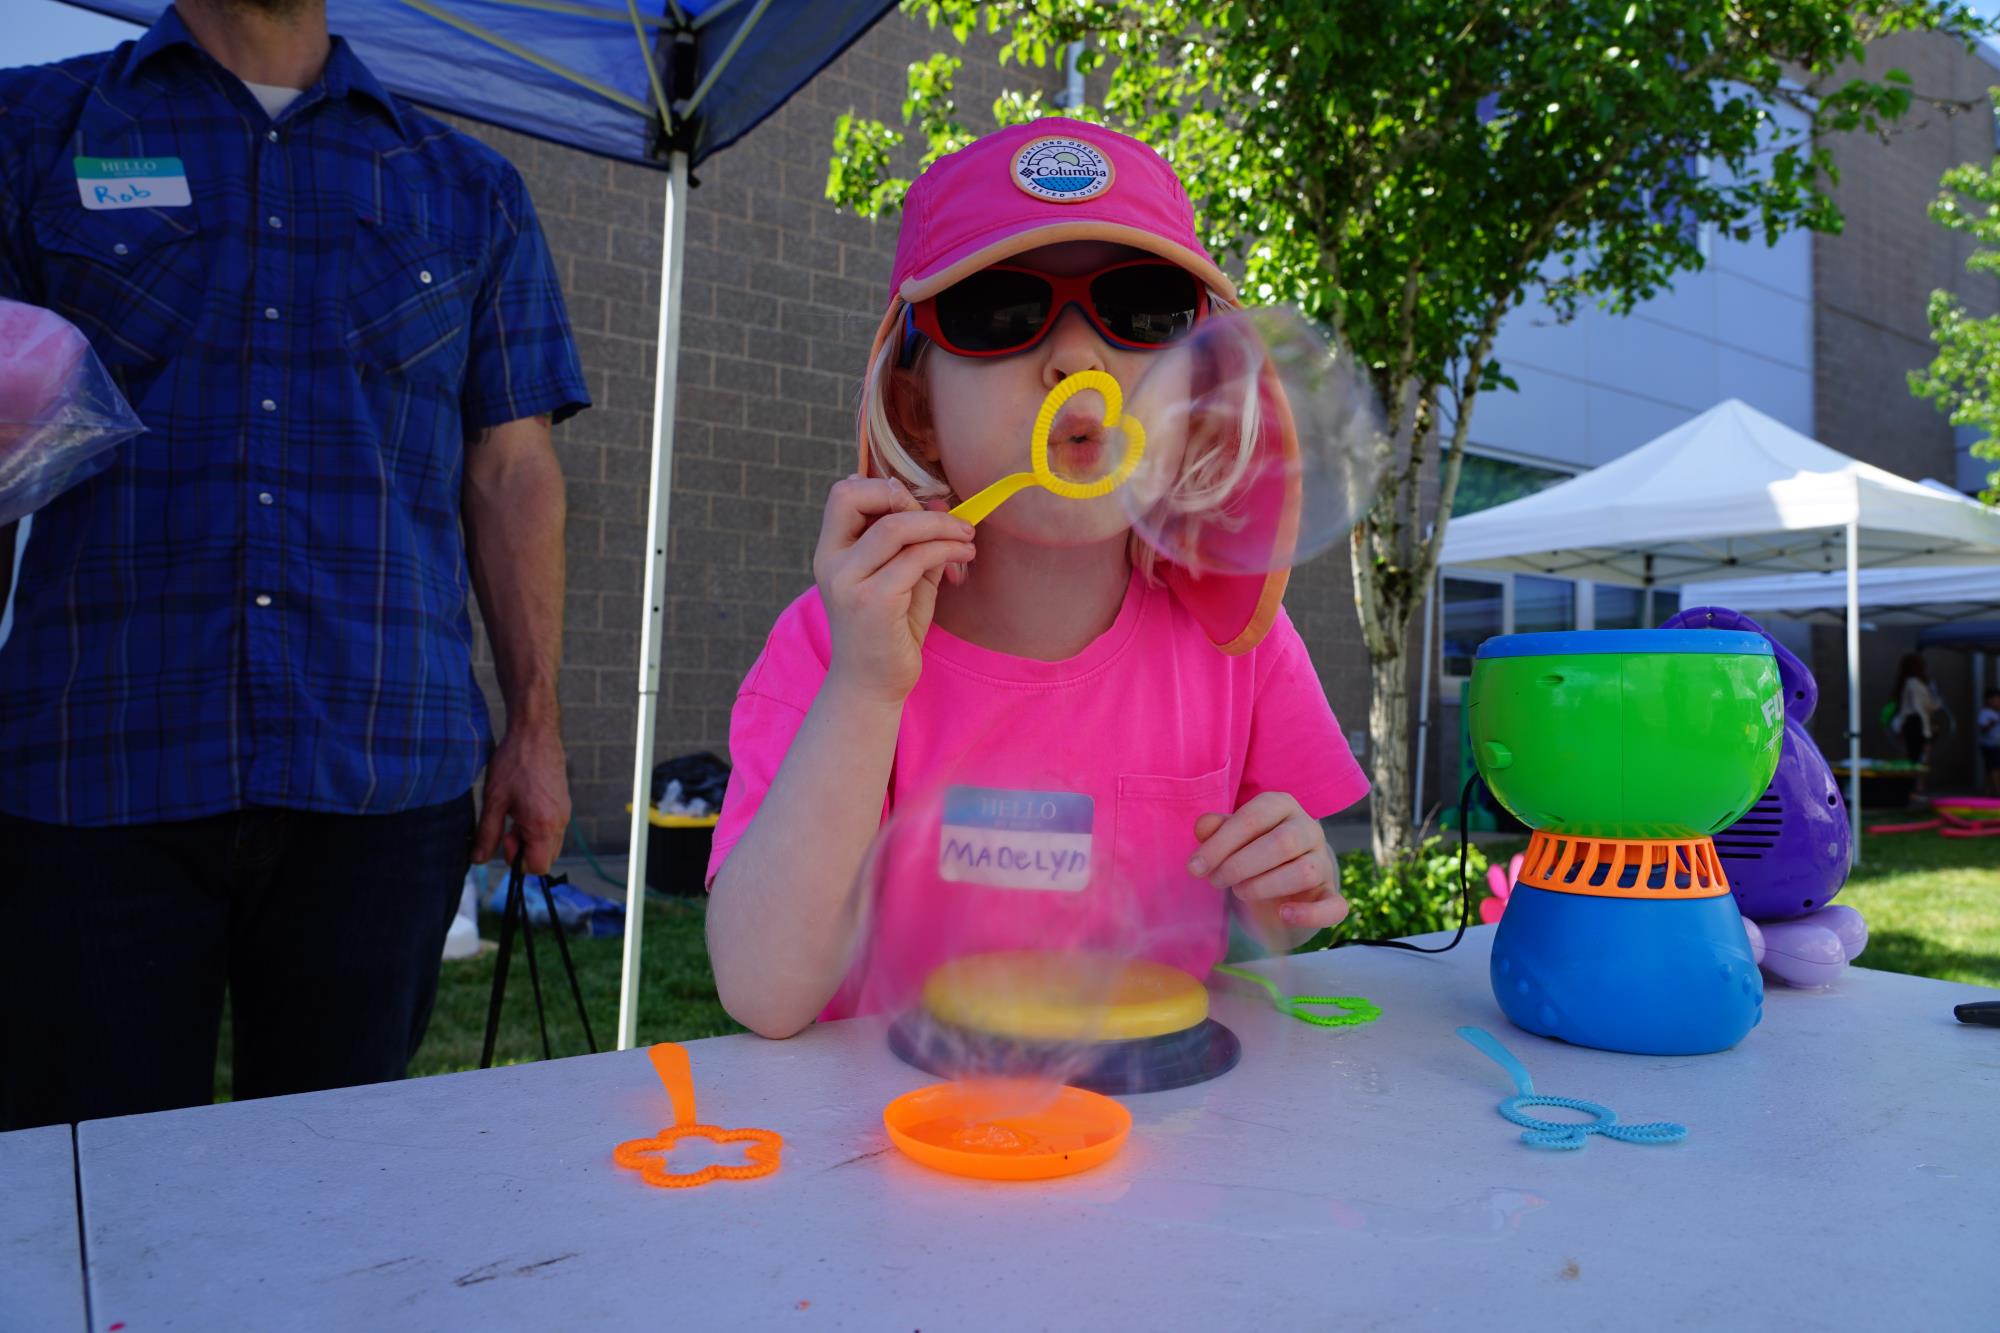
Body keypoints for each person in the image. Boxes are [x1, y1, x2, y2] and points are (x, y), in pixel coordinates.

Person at [0, 0, 587, 1130]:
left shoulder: (471, 189)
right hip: (89, 768)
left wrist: (534, 728)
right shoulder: (35, 133)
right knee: (88, 1204)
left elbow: (513, 471)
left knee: (337, 1199)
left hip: (380, 778)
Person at [704, 120, 1369, 1039]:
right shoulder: (838, 641)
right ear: (915, 408)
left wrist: (1291, 885)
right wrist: (866, 686)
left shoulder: (1237, 640)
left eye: (1143, 307)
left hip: (1155, 1138)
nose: (1076, 358)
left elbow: (1264, 940)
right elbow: (762, 990)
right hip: (890, 1153)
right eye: (1002, 311)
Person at [1892, 652, 1940, 799]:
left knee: (1914, 757)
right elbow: (1921, 707)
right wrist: (1936, 703)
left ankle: (1914, 788)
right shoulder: (1915, 683)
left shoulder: (1907, 682)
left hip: (1912, 724)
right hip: (1918, 723)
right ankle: (1916, 789)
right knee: (1920, 758)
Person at [1978, 686, 2000, 798]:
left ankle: (1989, 790)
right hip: (1988, 745)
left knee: (1991, 768)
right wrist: (1991, 723)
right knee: (1994, 767)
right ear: (1988, 700)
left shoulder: (1997, 713)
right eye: (1996, 699)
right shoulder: (1985, 713)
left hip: (1996, 744)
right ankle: (1997, 790)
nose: (1998, 702)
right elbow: (1982, 728)